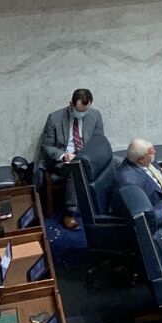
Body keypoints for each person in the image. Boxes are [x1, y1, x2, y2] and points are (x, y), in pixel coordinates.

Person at [36, 87, 104, 230]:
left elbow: (99, 141)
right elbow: (47, 146)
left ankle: (109, 204)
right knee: (76, 169)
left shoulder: (95, 115)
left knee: (116, 162)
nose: (82, 114)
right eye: (79, 111)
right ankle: (69, 214)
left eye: (85, 111)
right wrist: (63, 155)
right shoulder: (54, 118)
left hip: (88, 157)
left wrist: (87, 155)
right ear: (71, 104)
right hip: (63, 161)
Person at [116, 137, 162, 233]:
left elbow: (157, 174)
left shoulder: (145, 159)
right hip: (150, 207)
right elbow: (136, 213)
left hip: (158, 197)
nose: (155, 152)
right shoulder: (128, 181)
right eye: (151, 152)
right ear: (141, 159)